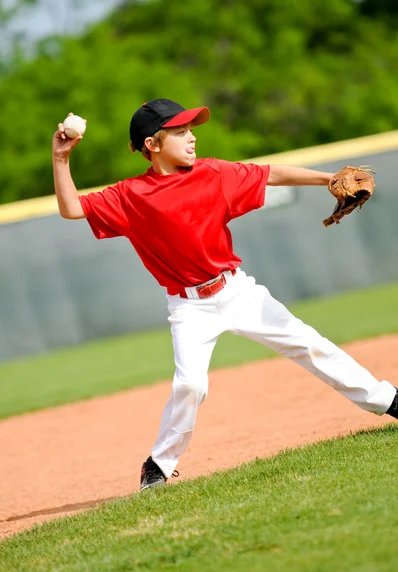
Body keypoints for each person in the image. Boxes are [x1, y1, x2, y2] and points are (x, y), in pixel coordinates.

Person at [52, 98, 398, 491]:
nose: (191, 137)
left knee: (309, 344)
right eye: (180, 131)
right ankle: (159, 465)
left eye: (191, 129)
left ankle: (388, 401)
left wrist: (328, 179)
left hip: (237, 291)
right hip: (189, 307)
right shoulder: (130, 195)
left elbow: (273, 175)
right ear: (152, 144)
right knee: (190, 385)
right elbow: (72, 209)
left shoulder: (212, 173)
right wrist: (61, 159)